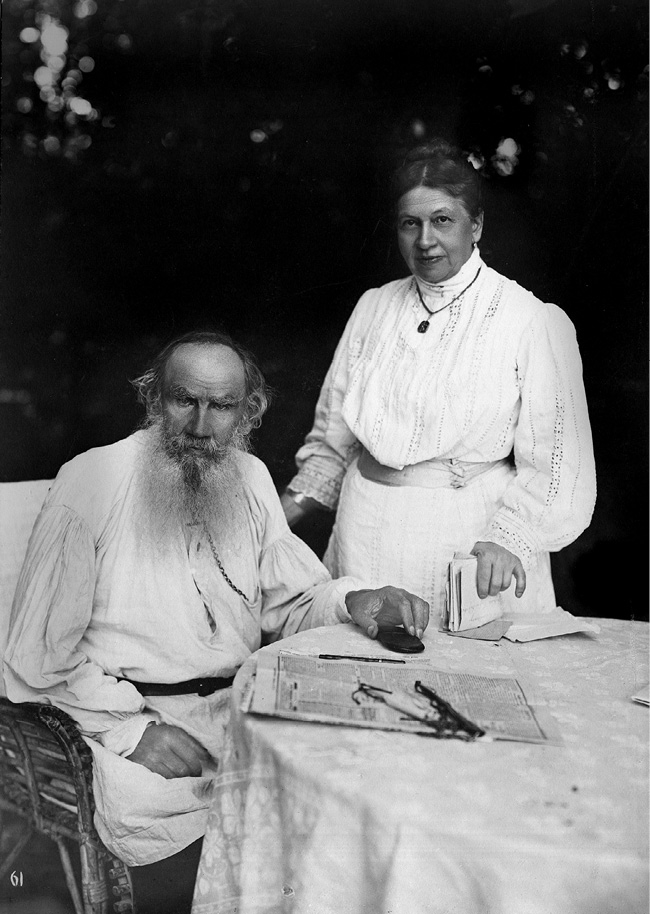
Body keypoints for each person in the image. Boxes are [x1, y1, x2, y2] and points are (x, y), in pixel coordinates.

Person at [3, 330, 429, 872]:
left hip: (241, 713)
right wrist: (131, 732)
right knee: (220, 847)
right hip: (139, 722)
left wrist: (355, 600)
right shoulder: (91, 480)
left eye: (222, 406)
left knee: (355, 809)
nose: (201, 427)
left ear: (247, 412)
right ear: (154, 398)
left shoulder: (250, 478)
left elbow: (289, 605)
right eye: (185, 400)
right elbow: (37, 653)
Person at [281, 139, 596, 618]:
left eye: (442, 220)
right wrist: (271, 523)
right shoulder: (374, 307)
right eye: (411, 223)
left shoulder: (530, 320)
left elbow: (558, 466)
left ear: (477, 225)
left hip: (468, 544)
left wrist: (509, 539)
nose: (425, 240)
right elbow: (332, 444)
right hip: (363, 536)